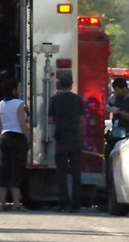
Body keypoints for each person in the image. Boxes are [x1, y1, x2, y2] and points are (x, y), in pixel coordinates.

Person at [48, 71, 85, 213]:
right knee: (76, 173)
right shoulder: (78, 99)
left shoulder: (54, 99)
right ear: (71, 84)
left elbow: (51, 119)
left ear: (59, 84)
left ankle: (64, 203)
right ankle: (76, 204)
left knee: (61, 173)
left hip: (61, 138)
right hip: (76, 138)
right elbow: (81, 118)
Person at [0, 78, 30, 211]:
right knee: (17, 170)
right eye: (18, 87)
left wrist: (4, 133)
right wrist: (28, 137)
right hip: (17, 138)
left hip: (5, 137)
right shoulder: (20, 104)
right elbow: (22, 123)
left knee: (5, 169)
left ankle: (2, 203)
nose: (20, 89)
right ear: (13, 90)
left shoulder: (0, 104)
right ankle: (16, 203)